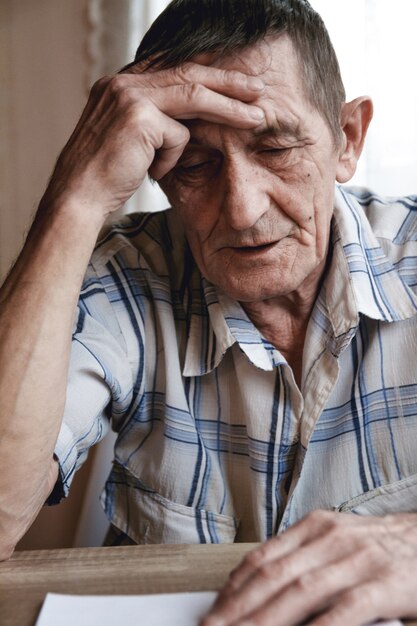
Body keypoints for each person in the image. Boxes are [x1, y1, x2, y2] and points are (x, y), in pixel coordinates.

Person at [1, 0, 417, 623]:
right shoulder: (122, 278)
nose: (243, 210)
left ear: (347, 139)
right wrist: (77, 196)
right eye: (196, 166)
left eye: (276, 148)